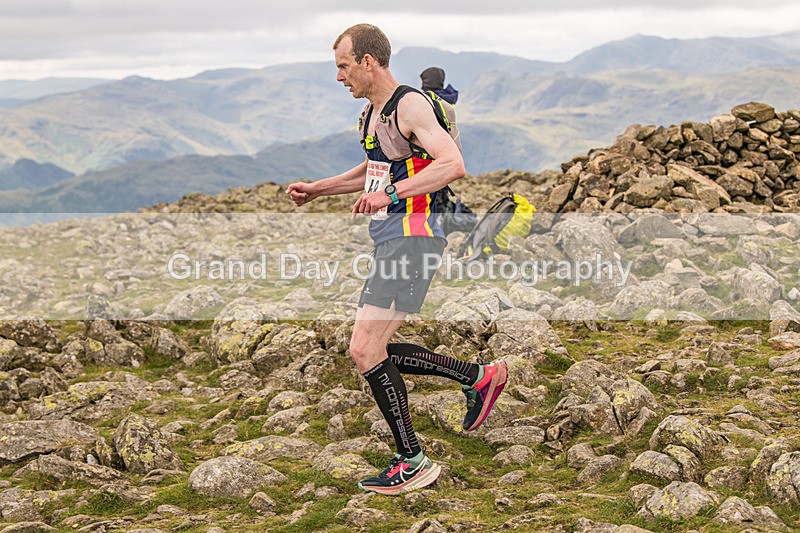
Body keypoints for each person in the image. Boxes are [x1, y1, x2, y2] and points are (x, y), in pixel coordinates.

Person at [286, 23, 508, 496]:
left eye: (344, 66)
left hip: (414, 235)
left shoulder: (409, 103)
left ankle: (414, 460)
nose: (340, 77)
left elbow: (452, 163)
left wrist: (389, 194)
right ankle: (478, 377)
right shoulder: (373, 113)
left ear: (368, 61)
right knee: (374, 350)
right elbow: (375, 168)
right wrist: (318, 189)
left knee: (364, 350)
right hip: (394, 235)